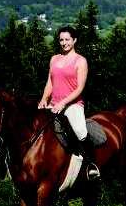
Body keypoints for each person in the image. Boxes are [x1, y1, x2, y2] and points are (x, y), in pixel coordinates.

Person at [38, 26, 100, 180]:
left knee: (80, 130)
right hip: (54, 104)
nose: (64, 43)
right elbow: (50, 83)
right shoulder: (54, 59)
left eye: (67, 39)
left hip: (72, 105)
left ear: (74, 40)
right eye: (61, 39)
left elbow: (79, 88)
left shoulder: (80, 61)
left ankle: (91, 165)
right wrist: (44, 99)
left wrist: (63, 103)